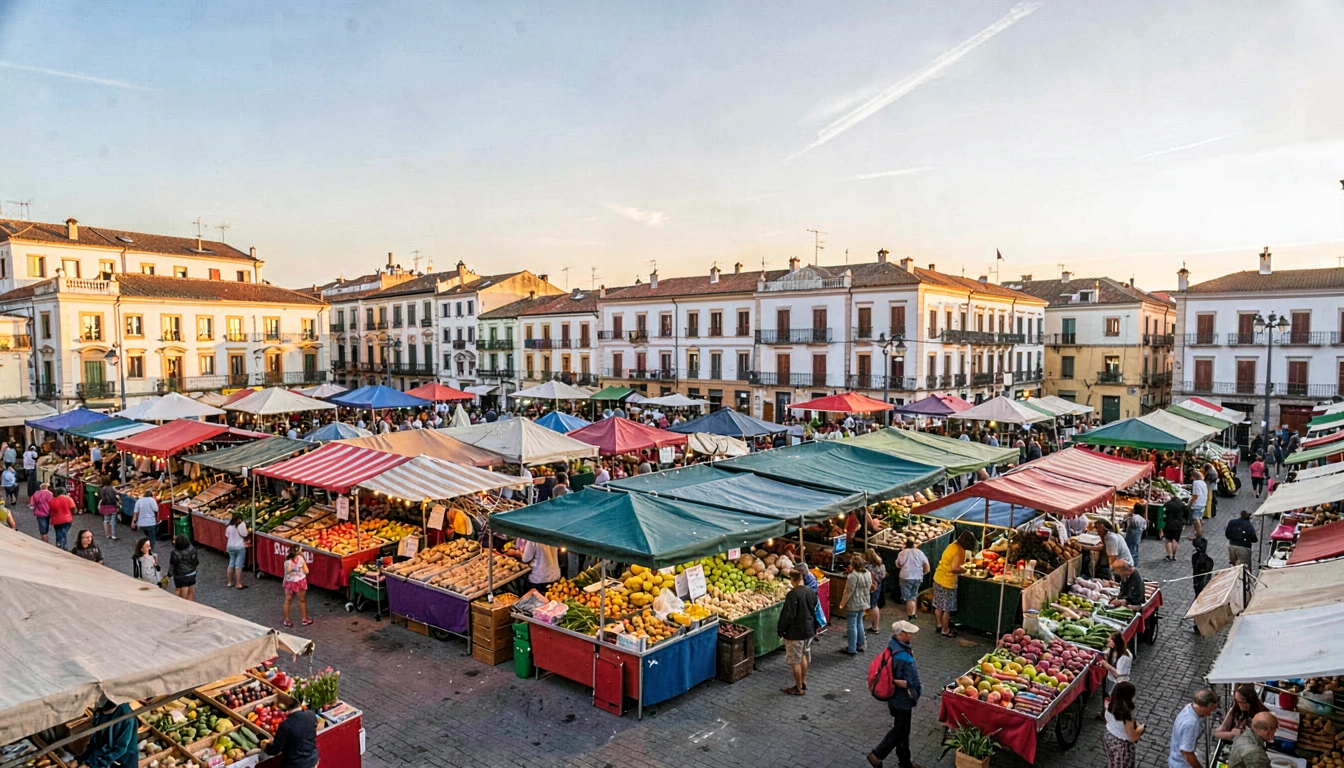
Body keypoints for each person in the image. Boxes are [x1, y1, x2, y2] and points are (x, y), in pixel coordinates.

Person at [866, 621, 922, 768]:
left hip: (892, 698)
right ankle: (877, 755)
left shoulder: (891, 647)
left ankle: (904, 761)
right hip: (903, 700)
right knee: (900, 731)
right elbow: (913, 682)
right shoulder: (906, 659)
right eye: (908, 633)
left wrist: (894, 681)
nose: (911, 635)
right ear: (900, 634)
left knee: (903, 730)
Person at [775, 568, 820, 696]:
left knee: (795, 661)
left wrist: (781, 631)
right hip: (809, 631)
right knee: (803, 656)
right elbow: (815, 610)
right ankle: (803, 682)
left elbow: (788, 615)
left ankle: (799, 688)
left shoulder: (793, 595)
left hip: (796, 633)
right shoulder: (811, 592)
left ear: (792, 580)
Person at [933, 530, 976, 639]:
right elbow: (954, 569)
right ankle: (945, 630)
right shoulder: (959, 550)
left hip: (938, 577)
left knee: (938, 605)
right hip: (948, 582)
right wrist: (964, 570)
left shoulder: (952, 545)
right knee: (947, 608)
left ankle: (939, 625)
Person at [78, 697, 138, 768]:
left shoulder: (126, 718)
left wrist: (91, 764)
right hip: (106, 755)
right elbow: (96, 740)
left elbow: (119, 749)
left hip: (123, 759)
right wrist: (80, 759)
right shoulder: (101, 712)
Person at [1169, 688, 1220, 768]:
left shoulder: (1189, 707)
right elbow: (1187, 753)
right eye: (1212, 708)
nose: (1211, 713)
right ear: (1207, 706)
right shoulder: (1191, 724)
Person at [262, 703, 319, 768]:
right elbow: (314, 727)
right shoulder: (311, 714)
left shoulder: (285, 725)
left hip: (295, 764)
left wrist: (267, 745)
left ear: (287, 711)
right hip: (313, 760)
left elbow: (275, 750)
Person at [1103, 681, 1145, 768]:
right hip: (1122, 745)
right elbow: (1133, 737)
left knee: (1113, 761)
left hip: (1109, 738)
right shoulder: (1126, 715)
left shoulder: (1109, 706)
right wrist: (1141, 728)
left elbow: (1108, 720)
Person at [838, 554, 872, 655]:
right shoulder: (867, 573)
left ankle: (852, 648)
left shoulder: (853, 576)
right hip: (864, 601)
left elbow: (848, 592)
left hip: (854, 603)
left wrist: (842, 604)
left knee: (852, 625)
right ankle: (861, 644)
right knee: (859, 622)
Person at [895, 538, 930, 622]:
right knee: (914, 595)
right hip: (918, 577)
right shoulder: (920, 553)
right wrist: (924, 572)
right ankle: (914, 613)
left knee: (908, 598)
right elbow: (927, 567)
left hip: (906, 577)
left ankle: (910, 615)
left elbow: (899, 564)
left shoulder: (902, 553)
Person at [1098, 630, 1132, 713]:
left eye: (1110, 640)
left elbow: (1118, 674)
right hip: (1110, 679)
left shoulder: (1124, 657)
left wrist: (1106, 665)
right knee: (1106, 696)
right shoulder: (1112, 651)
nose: (1107, 640)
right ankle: (1104, 713)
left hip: (1118, 682)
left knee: (1113, 700)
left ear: (1115, 643)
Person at [282, 545, 313, 627]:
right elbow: (306, 571)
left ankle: (287, 620)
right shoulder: (301, 559)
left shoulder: (287, 561)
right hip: (300, 581)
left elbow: (287, 572)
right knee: (302, 600)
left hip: (289, 582)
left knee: (288, 600)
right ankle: (304, 619)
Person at [864, 549, 888, 634]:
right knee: (875, 605)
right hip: (878, 587)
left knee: (873, 606)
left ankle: (875, 627)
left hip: (872, 588)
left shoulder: (869, 567)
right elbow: (884, 575)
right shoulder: (881, 565)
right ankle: (875, 625)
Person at [169, 535, 199, 601]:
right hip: (192, 573)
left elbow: (172, 566)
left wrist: (168, 575)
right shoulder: (192, 548)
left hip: (181, 576)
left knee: (183, 599)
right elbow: (196, 562)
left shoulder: (174, 553)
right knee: (191, 595)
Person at [225, 513, 250, 589]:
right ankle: (238, 584)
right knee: (238, 565)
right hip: (239, 546)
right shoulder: (242, 524)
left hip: (230, 546)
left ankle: (229, 582)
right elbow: (244, 534)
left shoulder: (229, 527)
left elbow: (227, 535)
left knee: (231, 564)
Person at [1162, 494, 1189, 561]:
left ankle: (1169, 555)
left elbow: (1164, 513)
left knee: (1168, 540)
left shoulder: (1167, 504)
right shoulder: (1182, 505)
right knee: (1175, 540)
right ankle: (1174, 556)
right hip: (1178, 524)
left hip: (1169, 523)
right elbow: (1186, 514)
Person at [1189, 471, 1208, 538]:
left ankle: (1199, 533)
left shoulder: (1196, 483)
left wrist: (1189, 504)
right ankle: (1197, 532)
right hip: (1203, 503)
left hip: (1197, 504)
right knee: (1199, 518)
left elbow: (1195, 496)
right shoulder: (1203, 483)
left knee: (1195, 518)